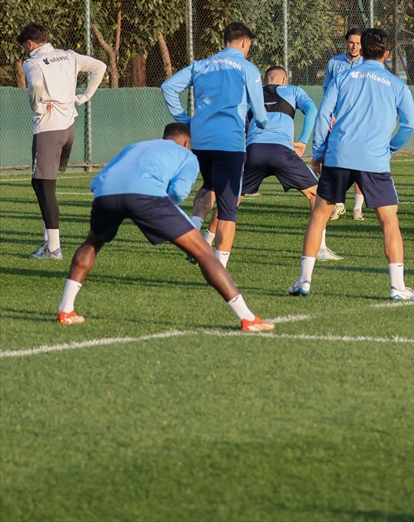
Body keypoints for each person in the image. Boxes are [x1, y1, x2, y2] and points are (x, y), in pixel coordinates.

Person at [57, 123, 273, 331]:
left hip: (105, 192)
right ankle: (247, 317)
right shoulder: (187, 155)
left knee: (92, 243)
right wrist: (162, 214)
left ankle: (66, 309)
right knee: (204, 252)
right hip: (146, 196)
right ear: (187, 142)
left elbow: (99, 180)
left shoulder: (134, 146)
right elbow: (178, 193)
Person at [289, 28, 414, 300]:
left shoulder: (343, 76)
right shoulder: (396, 84)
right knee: (389, 221)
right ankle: (397, 287)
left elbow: (325, 115)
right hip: (374, 160)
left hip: (339, 155)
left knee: (319, 216)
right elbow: (410, 124)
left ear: (364, 50)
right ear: (386, 53)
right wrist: (392, 147)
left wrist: (319, 150)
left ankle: (304, 280)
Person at [206, 65, 340, 261]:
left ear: (263, 80)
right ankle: (320, 248)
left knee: (230, 200)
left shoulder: (251, 94)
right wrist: (302, 142)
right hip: (281, 151)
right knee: (317, 195)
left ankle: (205, 242)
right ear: (284, 80)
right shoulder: (293, 90)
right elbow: (312, 110)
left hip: (253, 152)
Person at [161, 21, 268, 267]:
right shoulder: (246, 67)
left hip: (200, 141)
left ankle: (195, 231)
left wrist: (185, 119)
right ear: (245, 43)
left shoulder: (202, 65)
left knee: (208, 184)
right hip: (230, 142)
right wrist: (263, 124)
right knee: (229, 206)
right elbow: (260, 113)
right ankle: (219, 266)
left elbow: (168, 87)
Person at [18, 22, 107, 260]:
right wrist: (84, 96)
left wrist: (37, 105)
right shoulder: (68, 56)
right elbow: (100, 66)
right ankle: (48, 241)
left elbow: (36, 84)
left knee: (45, 187)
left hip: (48, 128)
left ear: (30, 44)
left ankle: (54, 249)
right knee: (40, 185)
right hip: (68, 127)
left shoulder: (32, 62)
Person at [323, 28, 365, 220]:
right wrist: (330, 115)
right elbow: (327, 91)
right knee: (336, 162)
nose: (354, 46)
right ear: (346, 43)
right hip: (338, 122)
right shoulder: (334, 63)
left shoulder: (368, 64)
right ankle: (338, 203)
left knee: (360, 163)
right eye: (351, 42)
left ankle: (357, 209)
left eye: (358, 42)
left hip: (360, 122)